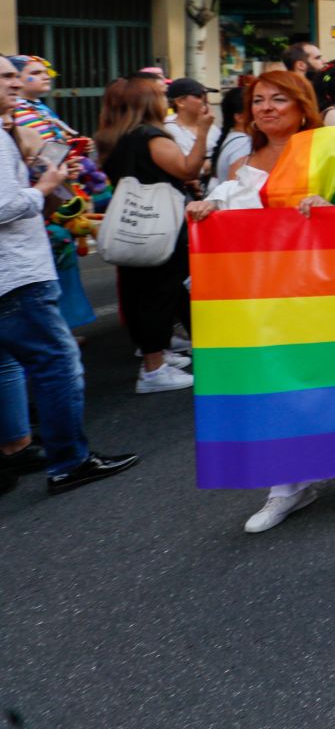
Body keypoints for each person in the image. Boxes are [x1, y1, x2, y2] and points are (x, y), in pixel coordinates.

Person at [185, 70, 335, 533]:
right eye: (258, 100)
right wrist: (207, 211)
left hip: (327, 289)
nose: (266, 108)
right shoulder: (240, 164)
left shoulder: (332, 151)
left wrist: (331, 212)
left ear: (302, 106)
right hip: (265, 298)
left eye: (279, 99)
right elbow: (235, 221)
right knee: (276, 386)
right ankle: (287, 487)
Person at [0, 57, 138, 494]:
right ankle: (69, 462)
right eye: (5, 76)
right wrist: (43, 187)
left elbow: (32, 203)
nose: (16, 82)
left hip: (16, 268)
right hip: (16, 274)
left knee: (8, 364)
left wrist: (55, 179)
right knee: (57, 364)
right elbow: (5, 207)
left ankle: (15, 450)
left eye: (15, 75)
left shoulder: (10, 131)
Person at [95, 76, 205, 394]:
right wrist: (202, 131)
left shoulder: (113, 138)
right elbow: (188, 168)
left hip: (132, 224)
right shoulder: (149, 136)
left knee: (138, 291)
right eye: (159, 94)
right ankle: (154, 368)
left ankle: (154, 354)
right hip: (160, 224)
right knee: (160, 292)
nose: (164, 99)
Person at [6, 55, 100, 333]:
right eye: (35, 72)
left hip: (46, 198)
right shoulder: (19, 116)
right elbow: (33, 164)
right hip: (34, 206)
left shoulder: (38, 109)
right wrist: (50, 177)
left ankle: (59, 326)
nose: (45, 76)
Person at [163, 77, 220, 184]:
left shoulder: (213, 128)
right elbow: (189, 169)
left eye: (206, 96)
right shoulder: (169, 129)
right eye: (199, 96)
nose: (206, 101)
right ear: (180, 102)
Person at [213, 76, 256, 183]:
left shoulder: (234, 139)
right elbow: (239, 186)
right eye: (256, 104)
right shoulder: (243, 143)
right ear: (239, 117)